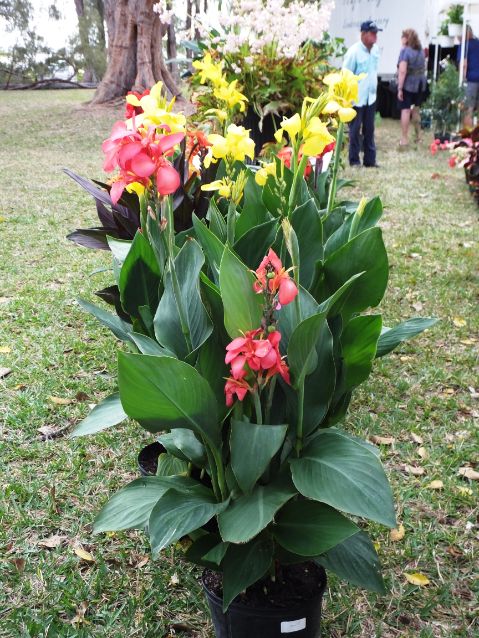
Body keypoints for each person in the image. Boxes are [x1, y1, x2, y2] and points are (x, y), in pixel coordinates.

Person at [343, 20, 381, 168]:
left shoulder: (376, 50)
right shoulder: (353, 52)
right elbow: (346, 75)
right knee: (354, 130)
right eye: (372, 34)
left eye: (376, 34)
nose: (375, 37)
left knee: (369, 129)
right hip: (356, 99)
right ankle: (354, 160)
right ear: (363, 34)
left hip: (370, 97)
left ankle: (370, 160)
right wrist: (347, 99)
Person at [397, 28, 427, 147]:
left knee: (405, 110)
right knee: (416, 110)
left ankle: (404, 139)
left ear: (405, 38)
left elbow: (402, 70)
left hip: (409, 84)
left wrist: (399, 88)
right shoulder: (420, 51)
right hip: (420, 83)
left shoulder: (405, 51)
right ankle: (418, 137)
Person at [457, 26, 479, 129]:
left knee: (468, 109)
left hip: (471, 80)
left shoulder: (464, 45)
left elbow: (464, 64)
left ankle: (468, 137)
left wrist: (462, 80)